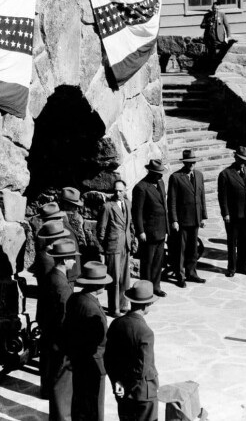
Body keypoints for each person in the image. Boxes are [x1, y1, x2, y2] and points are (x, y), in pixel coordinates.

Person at [62, 261, 111, 421]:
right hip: (94, 362)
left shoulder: (75, 298)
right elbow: (101, 338)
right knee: (94, 407)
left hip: (77, 359)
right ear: (99, 286)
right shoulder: (92, 309)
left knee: (80, 402)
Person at [105, 280, 160, 421]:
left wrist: (118, 381)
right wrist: (126, 385)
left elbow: (109, 359)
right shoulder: (146, 332)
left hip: (122, 392)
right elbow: (142, 369)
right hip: (143, 393)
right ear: (147, 305)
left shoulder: (116, 324)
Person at [31, 217, 70, 399]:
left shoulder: (46, 255)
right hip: (51, 313)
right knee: (50, 358)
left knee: (47, 355)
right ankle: (48, 390)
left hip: (47, 311)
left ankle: (47, 388)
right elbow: (53, 289)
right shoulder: (47, 259)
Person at [42, 238, 78, 421]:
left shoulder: (50, 277)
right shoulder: (62, 286)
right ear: (64, 260)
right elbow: (66, 319)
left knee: (55, 381)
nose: (74, 262)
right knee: (62, 384)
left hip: (50, 336)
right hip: (61, 341)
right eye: (72, 258)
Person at [167, 149, 207, 287]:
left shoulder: (199, 175)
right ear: (184, 162)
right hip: (182, 221)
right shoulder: (176, 177)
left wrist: (203, 217)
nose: (191, 165)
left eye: (193, 162)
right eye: (189, 162)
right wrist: (174, 220)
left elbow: (202, 197)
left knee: (193, 249)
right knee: (180, 250)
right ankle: (180, 275)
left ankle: (192, 273)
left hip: (195, 218)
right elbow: (171, 201)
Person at [217, 146, 246, 277]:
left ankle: (243, 266)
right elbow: (222, 196)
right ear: (235, 157)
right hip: (233, 215)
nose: (243, 162)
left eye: (245, 160)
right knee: (232, 242)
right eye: (240, 159)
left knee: (245, 241)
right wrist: (226, 213)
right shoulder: (225, 174)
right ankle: (232, 267)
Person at [132, 159, 169, 297]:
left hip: (161, 229)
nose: (161, 176)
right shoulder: (141, 187)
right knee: (147, 262)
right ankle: (145, 290)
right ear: (151, 172)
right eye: (158, 173)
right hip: (148, 232)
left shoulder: (160, 183)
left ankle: (156, 286)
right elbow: (137, 212)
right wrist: (140, 231)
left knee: (159, 261)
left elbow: (164, 206)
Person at [97, 180, 134, 317]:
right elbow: (101, 229)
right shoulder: (108, 206)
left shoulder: (128, 204)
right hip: (113, 246)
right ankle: (114, 308)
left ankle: (124, 305)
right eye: (115, 190)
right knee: (114, 278)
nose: (117, 193)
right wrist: (103, 248)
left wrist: (132, 240)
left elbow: (130, 224)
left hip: (126, 245)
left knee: (125, 278)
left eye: (120, 190)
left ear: (125, 190)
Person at [200, 1, 231, 67]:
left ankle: (216, 68)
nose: (216, 10)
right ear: (212, 8)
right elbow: (202, 25)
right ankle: (210, 69)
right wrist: (208, 24)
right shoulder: (207, 15)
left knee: (218, 54)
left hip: (219, 38)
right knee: (210, 54)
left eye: (217, 9)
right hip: (209, 38)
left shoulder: (222, 15)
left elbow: (227, 25)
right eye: (214, 8)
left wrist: (229, 36)